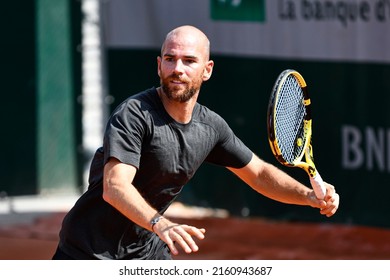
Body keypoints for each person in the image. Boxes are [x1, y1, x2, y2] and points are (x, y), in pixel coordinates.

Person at [52, 25, 339, 260]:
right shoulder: (134, 114)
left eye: (189, 61)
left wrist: (309, 196)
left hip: (146, 252)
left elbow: (260, 174)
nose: (177, 68)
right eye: (169, 59)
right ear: (159, 65)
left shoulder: (210, 127)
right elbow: (115, 187)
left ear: (207, 69)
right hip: (87, 252)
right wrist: (160, 223)